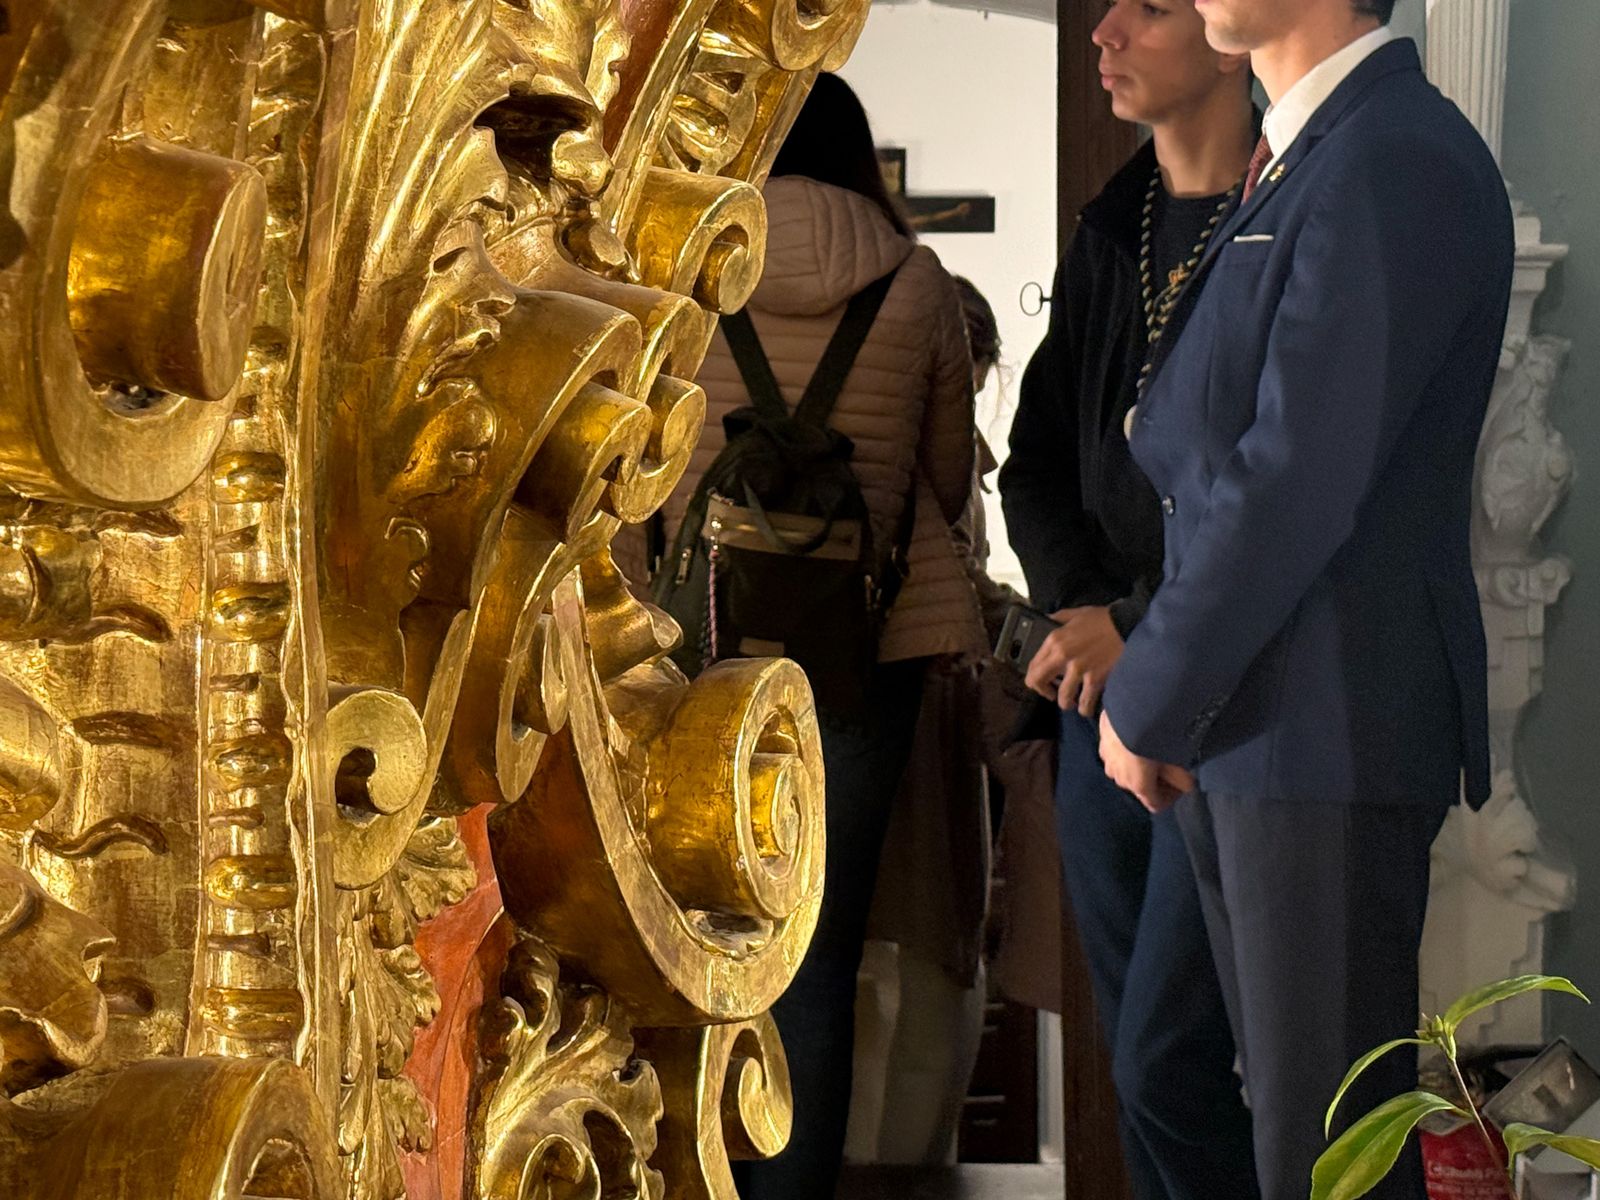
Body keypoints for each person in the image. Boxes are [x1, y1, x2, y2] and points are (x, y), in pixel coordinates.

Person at [1094, 0, 1515, 1196]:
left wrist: (1148, 695)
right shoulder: (1315, 153)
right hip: (1260, 724)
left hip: (1325, 725)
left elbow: (1289, 480)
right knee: (1241, 1113)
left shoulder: (1395, 158)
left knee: (1326, 1162)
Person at [655, 73, 983, 1199]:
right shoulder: (919, 283)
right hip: (858, 657)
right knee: (819, 954)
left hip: (696, 654)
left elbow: (643, 472)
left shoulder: (693, 271)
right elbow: (945, 479)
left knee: (686, 941)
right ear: (858, 156)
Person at [998, 3, 1260, 1198]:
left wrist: (1137, 626)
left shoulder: (1281, 212)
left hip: (1225, 702)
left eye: (1149, 9)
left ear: (1221, 34)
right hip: (1095, 697)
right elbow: (1038, 456)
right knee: (1137, 1051)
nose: (1104, 30)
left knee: (1170, 1054)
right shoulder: (1113, 228)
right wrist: (1078, 616)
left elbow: (1277, 489)